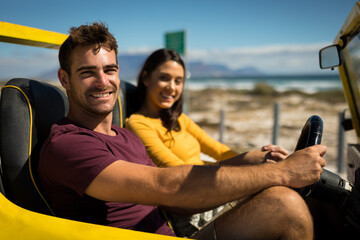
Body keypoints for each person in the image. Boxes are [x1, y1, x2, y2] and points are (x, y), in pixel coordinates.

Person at [38, 22, 328, 240]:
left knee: (320, 195)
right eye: (88, 73)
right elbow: (167, 186)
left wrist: (250, 160)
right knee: (283, 203)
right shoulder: (68, 144)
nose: (103, 81)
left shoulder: (123, 136)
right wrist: (283, 173)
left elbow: (173, 200)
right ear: (65, 78)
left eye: (110, 70)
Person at [125, 48, 289, 236]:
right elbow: (178, 173)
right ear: (146, 78)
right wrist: (246, 163)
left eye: (178, 81)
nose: (172, 87)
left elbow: (219, 151)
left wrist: (258, 159)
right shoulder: (137, 124)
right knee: (283, 203)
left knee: (295, 192)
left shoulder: (179, 120)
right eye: (164, 78)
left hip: (212, 192)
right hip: (190, 211)